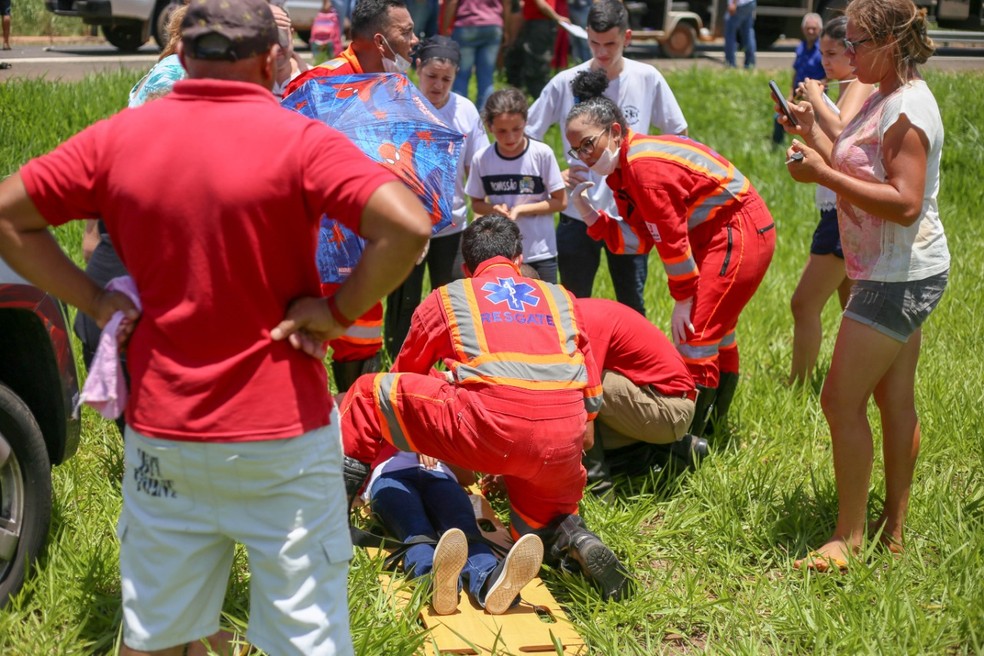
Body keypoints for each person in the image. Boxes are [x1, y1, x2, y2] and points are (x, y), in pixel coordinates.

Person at [0, 0, 433, 653]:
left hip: (164, 433)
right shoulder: (301, 139)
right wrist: (337, 311)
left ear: (182, 54)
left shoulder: (123, 135)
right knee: (305, 635)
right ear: (269, 58)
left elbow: (10, 215)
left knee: (156, 635)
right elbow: (407, 226)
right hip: (283, 435)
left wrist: (93, 298)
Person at [340, 214, 632, 601]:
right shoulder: (562, 298)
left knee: (364, 393)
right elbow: (591, 396)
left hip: (486, 429)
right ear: (519, 257)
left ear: (465, 266)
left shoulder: (450, 296)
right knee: (532, 527)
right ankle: (574, 536)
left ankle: (330, 521)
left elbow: (403, 378)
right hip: (560, 442)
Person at [781, 0, 948, 571]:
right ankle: (893, 532)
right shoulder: (881, 94)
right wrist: (815, 136)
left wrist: (822, 172)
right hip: (890, 268)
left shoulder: (906, 111)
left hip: (896, 275)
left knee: (839, 399)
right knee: (892, 398)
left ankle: (848, 540)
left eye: (856, 44)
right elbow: (862, 173)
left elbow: (904, 203)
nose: (847, 54)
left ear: (892, 43)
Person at [564, 69, 776, 439]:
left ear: (615, 131)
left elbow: (671, 239)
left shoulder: (642, 167)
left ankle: (689, 440)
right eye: (576, 149)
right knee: (717, 333)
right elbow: (638, 240)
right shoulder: (623, 170)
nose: (584, 156)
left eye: (588, 144)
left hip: (736, 230)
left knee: (695, 335)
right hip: (720, 233)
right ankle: (710, 430)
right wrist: (588, 215)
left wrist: (683, 299)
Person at [284, 0, 420, 392]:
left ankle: (355, 446)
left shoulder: (393, 88)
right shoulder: (319, 84)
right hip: (316, 246)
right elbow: (283, 161)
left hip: (366, 245)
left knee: (360, 350)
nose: (414, 41)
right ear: (380, 40)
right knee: (303, 350)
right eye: (405, 32)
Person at [526, 0, 687, 315]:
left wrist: (656, 177)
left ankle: (632, 363)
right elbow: (528, 136)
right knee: (573, 304)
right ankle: (580, 363)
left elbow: (678, 135)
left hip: (631, 213)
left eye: (610, 44)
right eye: (594, 43)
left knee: (632, 304)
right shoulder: (565, 82)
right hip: (577, 213)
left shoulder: (647, 77)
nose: (601, 52)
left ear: (627, 37)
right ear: (586, 34)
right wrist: (552, 176)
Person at [384, 35, 489, 359]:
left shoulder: (466, 111)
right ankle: (398, 357)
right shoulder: (400, 104)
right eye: (431, 76)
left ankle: (449, 358)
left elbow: (479, 165)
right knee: (404, 298)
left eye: (447, 79)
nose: (438, 85)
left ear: (457, 76)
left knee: (452, 296)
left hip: (452, 223)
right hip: (408, 222)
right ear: (417, 68)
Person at [787, 16, 874, 386]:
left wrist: (818, 99)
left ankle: (799, 384)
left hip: (844, 214)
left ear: (853, 52)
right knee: (853, 312)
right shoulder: (843, 88)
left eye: (833, 52)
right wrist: (804, 124)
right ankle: (860, 381)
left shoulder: (860, 84)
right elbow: (832, 147)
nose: (825, 60)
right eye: (821, 52)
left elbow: (842, 134)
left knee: (803, 304)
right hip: (837, 209)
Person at [365, 448, 543, 615]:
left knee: (465, 531)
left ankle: (490, 579)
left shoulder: (439, 432)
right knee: (416, 531)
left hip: (441, 477)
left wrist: (437, 448)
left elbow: (468, 478)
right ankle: (435, 580)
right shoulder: (380, 422)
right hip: (389, 478)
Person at [574, 297, 706, 493]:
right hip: (659, 403)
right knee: (578, 428)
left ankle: (599, 486)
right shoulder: (576, 311)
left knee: (586, 386)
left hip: (670, 408)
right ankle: (674, 451)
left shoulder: (583, 321)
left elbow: (583, 399)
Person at [466, 89, 567, 283]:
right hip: (502, 256)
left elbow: (560, 201)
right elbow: (477, 203)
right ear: (489, 126)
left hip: (540, 251)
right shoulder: (482, 158)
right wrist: (494, 209)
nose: (510, 137)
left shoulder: (541, 153)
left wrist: (522, 209)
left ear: (525, 123)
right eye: (502, 131)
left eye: (517, 129)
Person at [442, 0, 507, 112]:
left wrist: (443, 30)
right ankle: (485, 117)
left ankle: (459, 114)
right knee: (487, 76)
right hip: (493, 25)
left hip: (467, 25)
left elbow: (452, 2)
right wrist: (506, 29)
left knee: (461, 76)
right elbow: (507, 4)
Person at [773, 12, 824, 146]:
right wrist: (791, 93)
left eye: (814, 28)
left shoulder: (823, 50)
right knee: (779, 116)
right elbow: (796, 72)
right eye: (808, 28)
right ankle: (778, 145)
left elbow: (829, 76)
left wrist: (815, 90)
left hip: (815, 96)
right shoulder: (800, 47)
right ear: (803, 30)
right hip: (798, 92)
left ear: (820, 30)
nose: (811, 31)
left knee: (815, 125)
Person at [502, 0, 570, 98]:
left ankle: (544, 103)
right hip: (541, 24)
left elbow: (541, 4)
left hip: (539, 26)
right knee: (535, 68)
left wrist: (556, 18)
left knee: (536, 71)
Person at [723, 0, 756, 69]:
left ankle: (730, 64)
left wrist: (733, 3)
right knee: (748, 33)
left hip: (740, 4)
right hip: (750, 2)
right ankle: (750, 64)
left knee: (730, 34)